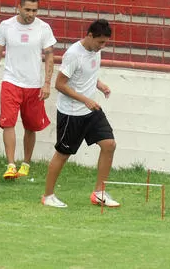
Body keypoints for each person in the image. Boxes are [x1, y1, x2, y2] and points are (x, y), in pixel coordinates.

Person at [42, 20, 119, 208]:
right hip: (72, 113)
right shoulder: (74, 55)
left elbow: (87, 74)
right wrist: (85, 99)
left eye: (105, 43)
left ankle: (99, 193)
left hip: (91, 110)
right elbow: (60, 84)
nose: (103, 46)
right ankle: (48, 196)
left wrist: (99, 85)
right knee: (63, 154)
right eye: (100, 42)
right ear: (90, 36)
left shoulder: (95, 51)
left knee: (109, 145)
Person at [0, 0, 56, 180]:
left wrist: (47, 84)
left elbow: (49, 56)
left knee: (30, 126)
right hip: (11, 81)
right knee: (8, 123)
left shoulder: (43, 28)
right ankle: (10, 165)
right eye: (27, 10)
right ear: (19, 7)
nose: (31, 14)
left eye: (34, 10)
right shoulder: (7, 26)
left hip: (33, 84)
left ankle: (25, 163)